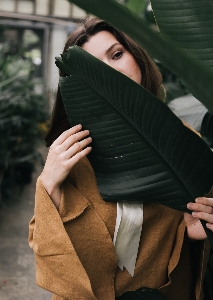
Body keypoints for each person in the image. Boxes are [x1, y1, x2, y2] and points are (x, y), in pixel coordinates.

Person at [29, 18, 213, 300]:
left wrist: (194, 232)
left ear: (137, 56)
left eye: (117, 55)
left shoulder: (184, 142)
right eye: (96, 67)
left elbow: (190, 235)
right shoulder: (70, 151)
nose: (111, 71)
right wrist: (48, 185)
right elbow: (45, 247)